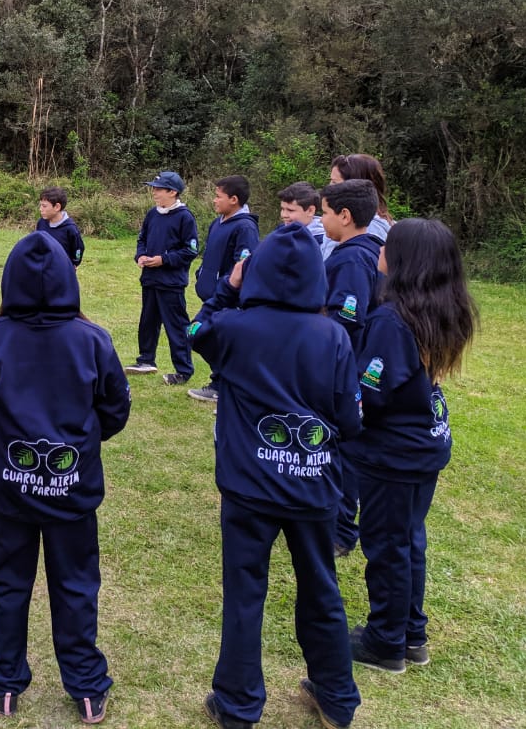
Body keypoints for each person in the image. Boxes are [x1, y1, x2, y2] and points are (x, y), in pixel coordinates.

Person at [188, 224, 363, 729]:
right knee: (321, 588)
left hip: (248, 486)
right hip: (313, 486)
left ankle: (238, 705)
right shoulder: (332, 335)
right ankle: (337, 698)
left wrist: (227, 289)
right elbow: (350, 422)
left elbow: (196, 330)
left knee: (245, 594)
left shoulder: (236, 328)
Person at [0, 231, 131, 724]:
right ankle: (77, 685)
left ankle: (13, 680)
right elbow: (114, 410)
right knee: (73, 586)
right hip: (62, 492)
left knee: (10, 584)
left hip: (14, 490)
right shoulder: (89, 339)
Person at [347, 219, 477, 673]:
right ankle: (411, 634)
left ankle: (385, 642)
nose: (379, 251)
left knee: (386, 545)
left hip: (393, 455)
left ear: (404, 261)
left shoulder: (391, 318)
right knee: (408, 540)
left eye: (389, 246)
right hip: (426, 444)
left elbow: (371, 393)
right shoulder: (444, 307)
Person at [320, 179, 383, 558]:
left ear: (344, 216)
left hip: (347, 368)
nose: (323, 220)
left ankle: (341, 532)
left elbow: (348, 317)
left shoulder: (351, 258)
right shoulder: (366, 250)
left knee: (345, 451)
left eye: (325, 212)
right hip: (351, 365)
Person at [124, 171, 199, 386]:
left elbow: (191, 250)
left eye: (158, 189)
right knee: (147, 322)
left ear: (172, 192)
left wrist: (164, 260)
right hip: (150, 279)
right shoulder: (152, 214)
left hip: (171, 282)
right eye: (154, 188)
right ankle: (146, 360)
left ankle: (183, 371)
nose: (154, 193)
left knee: (175, 325)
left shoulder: (185, 217)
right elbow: (142, 238)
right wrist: (141, 256)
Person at [191, 175, 260, 404]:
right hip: (211, 296)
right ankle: (220, 382)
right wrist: (201, 274)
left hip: (227, 299)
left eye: (218, 196)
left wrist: (227, 288)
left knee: (215, 339)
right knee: (205, 336)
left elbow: (243, 265)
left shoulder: (245, 227)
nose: (214, 200)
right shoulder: (218, 222)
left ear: (233, 199)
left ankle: (222, 385)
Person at [330, 154, 393, 244]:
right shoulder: (350, 222)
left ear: (356, 186)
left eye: (334, 183)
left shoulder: (369, 231)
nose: (329, 187)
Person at [36, 186, 85, 267]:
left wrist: (74, 264)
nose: (40, 209)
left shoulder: (71, 229)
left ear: (57, 207)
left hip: (61, 271)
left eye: (44, 206)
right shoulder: (41, 223)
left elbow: (78, 250)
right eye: (40, 205)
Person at [278, 181, 330, 258]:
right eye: (282, 209)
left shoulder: (323, 242)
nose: (284, 215)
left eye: (290, 210)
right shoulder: (280, 230)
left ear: (310, 211)